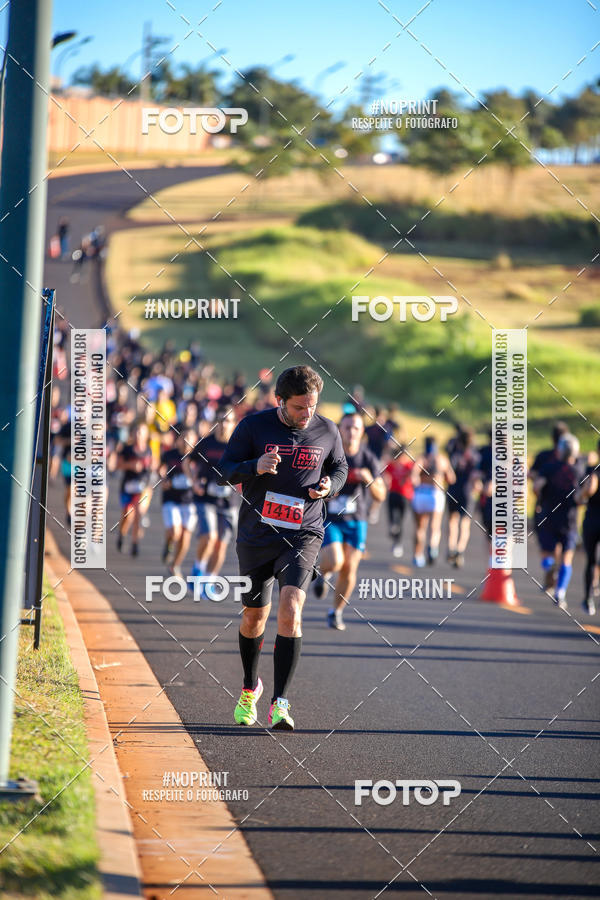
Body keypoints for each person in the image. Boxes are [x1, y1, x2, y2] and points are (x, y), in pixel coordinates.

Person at [217, 366, 348, 731]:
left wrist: (330, 485)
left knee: (291, 608)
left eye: (312, 406)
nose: (307, 414)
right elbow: (225, 470)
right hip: (257, 535)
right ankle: (249, 689)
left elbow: (340, 467)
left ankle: (281, 703)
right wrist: (254, 466)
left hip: (304, 532)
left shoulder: (327, 430)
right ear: (279, 401)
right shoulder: (253, 427)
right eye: (299, 407)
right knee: (253, 617)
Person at [314, 412, 386, 630]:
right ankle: (323, 572)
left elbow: (381, 495)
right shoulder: (330, 455)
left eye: (356, 428)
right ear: (339, 430)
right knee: (336, 561)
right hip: (331, 519)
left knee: (349, 569)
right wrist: (326, 491)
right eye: (347, 427)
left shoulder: (368, 458)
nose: (351, 432)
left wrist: (369, 479)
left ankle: (336, 612)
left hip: (356, 520)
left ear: (362, 432)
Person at [533, 433, 585, 610]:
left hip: (549, 516)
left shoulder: (549, 467)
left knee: (546, 553)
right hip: (570, 520)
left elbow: (537, 486)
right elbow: (581, 496)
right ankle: (560, 593)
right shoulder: (579, 471)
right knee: (567, 558)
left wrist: (540, 497)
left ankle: (550, 567)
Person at [190, 406, 239, 582]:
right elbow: (189, 461)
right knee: (209, 536)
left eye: (228, 421)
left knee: (221, 545)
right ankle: (198, 568)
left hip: (228, 501)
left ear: (234, 424)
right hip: (206, 498)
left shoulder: (238, 446)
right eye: (220, 420)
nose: (223, 424)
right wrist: (194, 481)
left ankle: (209, 581)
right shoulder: (206, 443)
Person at [529, 420, 569, 589]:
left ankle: (550, 567)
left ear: (552, 438)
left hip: (544, 507)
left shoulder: (544, 457)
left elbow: (532, 476)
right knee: (561, 544)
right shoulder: (573, 461)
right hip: (567, 510)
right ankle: (554, 573)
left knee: (545, 544)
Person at [411, 436, 455, 567]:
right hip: (436, 493)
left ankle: (418, 555)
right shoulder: (442, 459)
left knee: (420, 527)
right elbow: (452, 478)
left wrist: (418, 481)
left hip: (421, 493)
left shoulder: (421, 458)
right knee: (435, 526)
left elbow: (413, 475)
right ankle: (432, 547)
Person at [159, 429, 198, 577]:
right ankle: (169, 544)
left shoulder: (197, 457)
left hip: (190, 501)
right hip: (171, 498)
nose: (186, 441)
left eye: (190, 438)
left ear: (195, 441)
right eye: (184, 437)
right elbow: (160, 469)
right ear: (179, 439)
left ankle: (175, 565)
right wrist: (163, 479)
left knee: (185, 536)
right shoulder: (170, 454)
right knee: (175, 532)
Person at [116, 423, 155, 556]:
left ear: (146, 435)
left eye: (141, 432)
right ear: (132, 433)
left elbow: (152, 467)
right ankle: (122, 535)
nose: (138, 435)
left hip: (143, 487)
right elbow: (118, 465)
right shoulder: (127, 449)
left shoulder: (149, 450)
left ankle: (134, 544)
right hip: (128, 486)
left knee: (138, 514)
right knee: (128, 515)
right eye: (137, 431)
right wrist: (130, 465)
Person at [446, 427, 481, 568]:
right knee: (465, 524)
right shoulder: (476, 456)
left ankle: (451, 547)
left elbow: (449, 472)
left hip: (453, 490)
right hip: (468, 493)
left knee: (452, 521)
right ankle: (460, 550)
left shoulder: (454, 454)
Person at [383, 444, 414, 558]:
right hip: (393, 493)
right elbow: (385, 475)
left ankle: (398, 543)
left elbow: (414, 476)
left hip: (405, 496)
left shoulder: (410, 465)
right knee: (392, 518)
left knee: (400, 520)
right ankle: (393, 530)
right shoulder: (391, 465)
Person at [581, 439, 600, 615]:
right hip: (593, 521)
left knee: (590, 560)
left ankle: (588, 599)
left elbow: (584, 494)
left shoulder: (591, 471)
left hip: (591, 520)